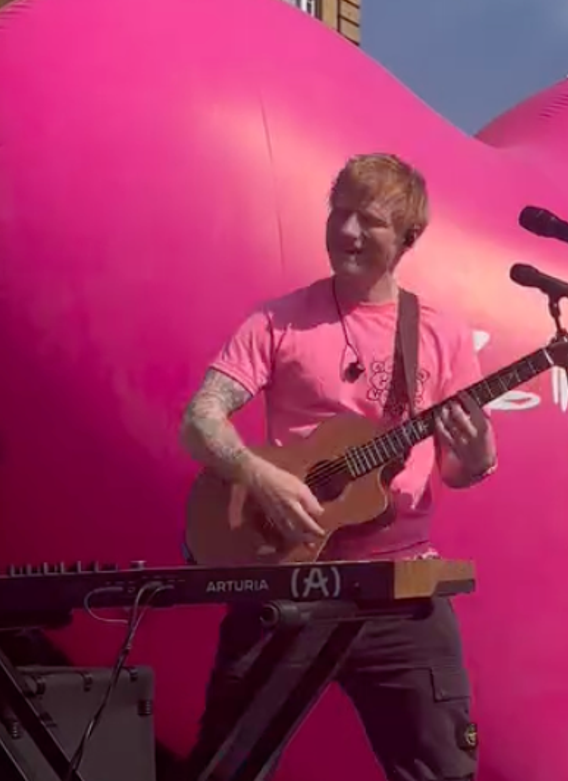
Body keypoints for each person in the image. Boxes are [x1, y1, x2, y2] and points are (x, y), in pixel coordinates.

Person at [179, 154, 496, 781]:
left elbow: (460, 470)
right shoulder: (277, 320)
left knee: (441, 768)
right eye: (339, 213)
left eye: (369, 221)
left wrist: (479, 447)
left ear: (408, 239)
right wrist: (258, 474)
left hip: (401, 586)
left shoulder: (440, 333)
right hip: (286, 576)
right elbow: (200, 420)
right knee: (228, 767)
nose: (347, 232)